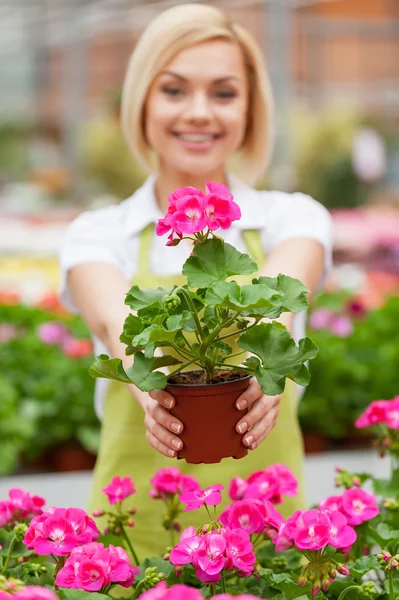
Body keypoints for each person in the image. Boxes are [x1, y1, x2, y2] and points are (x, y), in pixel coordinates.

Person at [59, 3, 333, 557]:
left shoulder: (294, 217)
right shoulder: (97, 233)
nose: (200, 112)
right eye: (175, 90)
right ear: (141, 102)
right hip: (133, 542)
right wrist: (150, 378)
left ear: (252, 109)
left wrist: (266, 352)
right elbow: (119, 323)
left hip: (268, 538)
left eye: (225, 93)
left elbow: (281, 293)